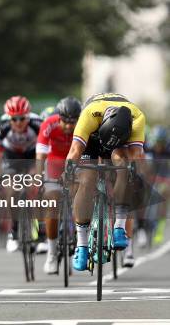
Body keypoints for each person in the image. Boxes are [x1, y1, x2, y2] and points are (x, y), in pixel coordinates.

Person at [66, 93, 145, 271]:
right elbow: (75, 150)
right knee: (86, 179)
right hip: (92, 139)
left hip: (121, 142)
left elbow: (136, 156)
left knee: (125, 167)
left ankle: (119, 227)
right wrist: (68, 171)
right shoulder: (89, 114)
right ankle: (82, 244)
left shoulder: (138, 118)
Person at [35, 96, 81, 274]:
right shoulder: (49, 124)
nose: (69, 126)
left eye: (73, 122)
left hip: (76, 163)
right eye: (65, 121)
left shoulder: (84, 126)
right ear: (58, 117)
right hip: (54, 163)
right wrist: (39, 177)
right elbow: (41, 154)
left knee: (80, 197)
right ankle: (52, 253)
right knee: (52, 203)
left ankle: (80, 237)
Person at [0, 95, 42, 252]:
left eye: (22, 118)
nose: (18, 123)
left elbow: (46, 147)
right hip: (11, 157)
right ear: (9, 118)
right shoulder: (2, 126)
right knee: (11, 191)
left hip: (32, 156)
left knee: (35, 184)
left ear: (28, 116)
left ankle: (39, 226)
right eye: (14, 119)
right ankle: (14, 230)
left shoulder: (38, 124)